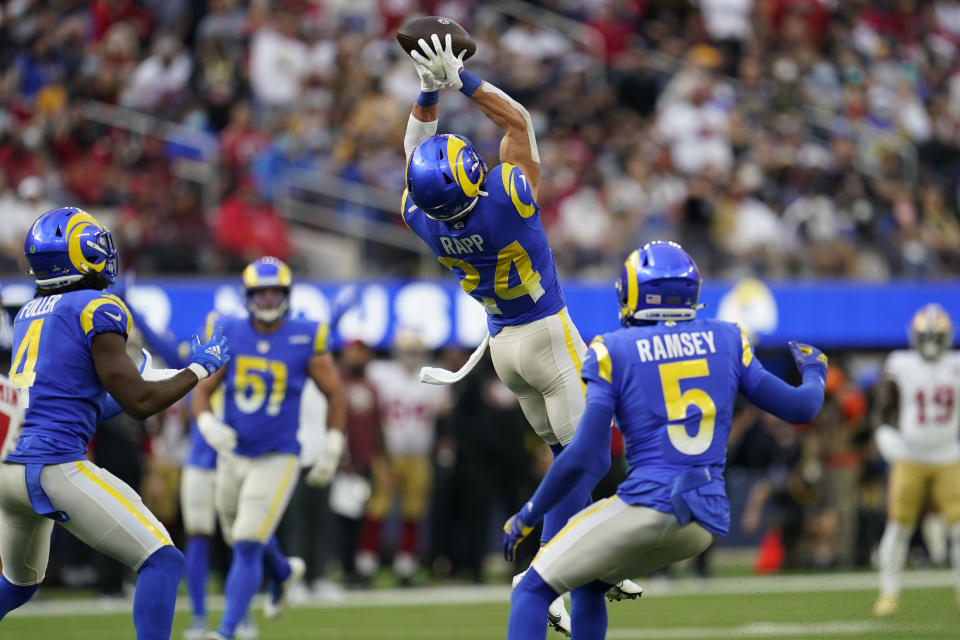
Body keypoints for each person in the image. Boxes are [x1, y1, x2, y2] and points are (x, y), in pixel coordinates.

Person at [402, 34, 639, 633]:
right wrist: (462, 82)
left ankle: (591, 565)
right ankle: (552, 575)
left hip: (504, 350)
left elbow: (413, 154)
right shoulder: (506, 197)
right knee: (584, 463)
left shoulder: (425, 222)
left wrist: (426, 93)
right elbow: (520, 122)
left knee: (566, 458)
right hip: (548, 336)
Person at [503, 241, 827, 640]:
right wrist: (814, 370)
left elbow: (580, 456)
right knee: (590, 582)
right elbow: (802, 408)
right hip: (705, 519)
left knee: (532, 590)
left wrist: (528, 515)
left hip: (646, 505)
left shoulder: (613, 349)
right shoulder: (728, 339)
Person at [0, 207, 230, 640]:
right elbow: (140, 402)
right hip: (53, 464)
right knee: (163, 559)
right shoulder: (97, 305)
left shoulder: (32, 311)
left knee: (17, 585)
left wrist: (145, 380)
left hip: (8, 467)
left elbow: (84, 403)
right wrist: (198, 370)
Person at [191, 256, 347, 640]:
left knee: (246, 542)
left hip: (278, 455)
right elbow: (202, 387)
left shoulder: (306, 334)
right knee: (240, 533)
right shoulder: (228, 330)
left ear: (287, 295)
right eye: (260, 294)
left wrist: (332, 442)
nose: (267, 301)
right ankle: (281, 571)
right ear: (247, 296)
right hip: (233, 452)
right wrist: (207, 423)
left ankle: (226, 631)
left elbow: (335, 392)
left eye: (274, 293)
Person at [872, 303, 960, 617]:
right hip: (911, 455)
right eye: (927, 336)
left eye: (937, 336)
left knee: (959, 529)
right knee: (898, 527)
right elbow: (883, 409)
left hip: (949, 455)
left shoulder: (956, 364)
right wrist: (885, 435)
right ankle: (889, 594)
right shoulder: (900, 364)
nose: (932, 343)